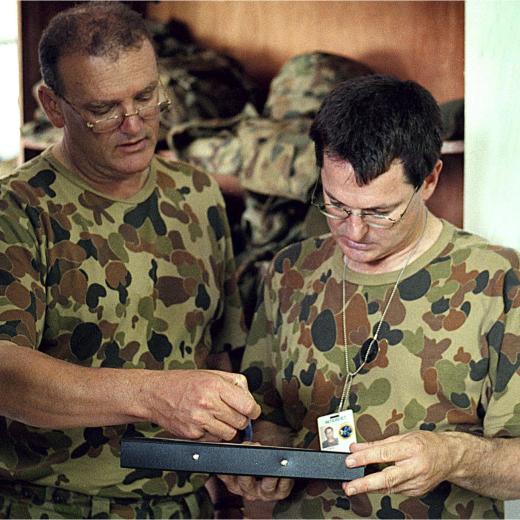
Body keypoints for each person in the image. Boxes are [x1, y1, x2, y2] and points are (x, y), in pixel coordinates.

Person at [0, 3, 260, 518]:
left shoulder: (199, 195)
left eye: (147, 96)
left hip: (184, 505)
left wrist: (241, 454)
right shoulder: (17, 210)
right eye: (103, 108)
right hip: (53, 505)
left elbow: (221, 351)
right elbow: (5, 374)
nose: (134, 123)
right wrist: (153, 395)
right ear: (53, 107)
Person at [219, 75, 520, 517]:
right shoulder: (290, 271)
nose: (354, 232)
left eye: (380, 212)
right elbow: (267, 416)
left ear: (431, 179)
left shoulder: (499, 281)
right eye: (336, 204)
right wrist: (263, 455)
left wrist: (453, 455)